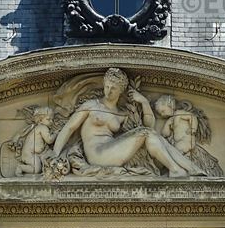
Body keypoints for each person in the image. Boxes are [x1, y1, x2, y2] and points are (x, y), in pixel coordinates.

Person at [51, 68, 206, 178]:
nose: (108, 91)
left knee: (148, 133)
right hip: (97, 154)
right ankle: (178, 168)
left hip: (114, 153)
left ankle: (186, 168)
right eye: (106, 86)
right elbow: (69, 128)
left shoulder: (122, 114)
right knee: (145, 133)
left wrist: (144, 101)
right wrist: (54, 155)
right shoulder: (91, 105)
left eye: (113, 88)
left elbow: (150, 127)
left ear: (121, 91)